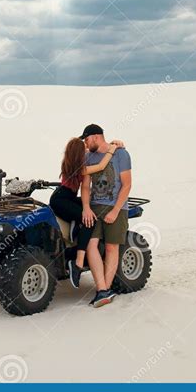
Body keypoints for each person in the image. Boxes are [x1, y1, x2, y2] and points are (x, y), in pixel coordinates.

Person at [49, 137, 124, 291]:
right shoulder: (79, 167)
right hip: (62, 201)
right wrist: (112, 150)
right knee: (91, 220)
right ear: (79, 153)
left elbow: (95, 147)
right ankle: (78, 261)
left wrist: (114, 143)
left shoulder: (70, 161)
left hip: (63, 197)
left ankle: (76, 232)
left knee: (89, 207)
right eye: (83, 148)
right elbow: (102, 165)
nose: (86, 149)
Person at [80, 123, 132, 308]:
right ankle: (102, 289)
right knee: (91, 244)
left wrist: (116, 210)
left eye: (86, 140)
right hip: (94, 208)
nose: (86, 144)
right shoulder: (88, 157)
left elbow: (126, 185)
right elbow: (85, 186)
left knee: (111, 248)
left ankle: (105, 290)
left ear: (95, 136)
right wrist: (86, 207)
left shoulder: (120, 154)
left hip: (115, 207)